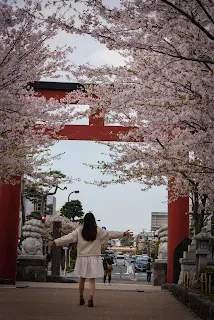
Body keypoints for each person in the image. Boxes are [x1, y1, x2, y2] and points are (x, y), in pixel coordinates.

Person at [48, 212, 132, 307]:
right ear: (94, 220)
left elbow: (69, 238)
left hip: (82, 258)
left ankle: (81, 298)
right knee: (92, 280)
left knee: (82, 279)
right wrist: (123, 233)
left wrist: (56, 242)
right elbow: (110, 234)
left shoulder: (79, 230)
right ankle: (91, 298)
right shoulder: (98, 230)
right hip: (93, 257)